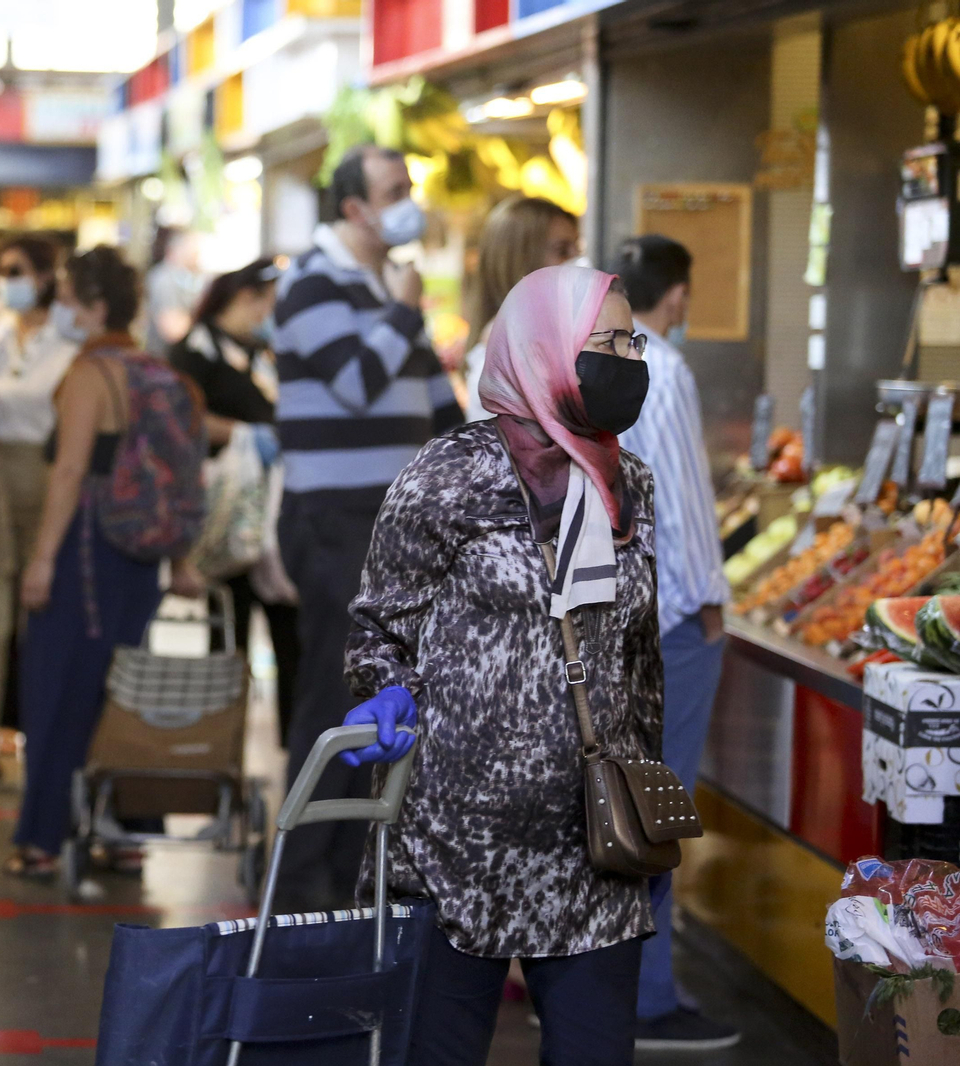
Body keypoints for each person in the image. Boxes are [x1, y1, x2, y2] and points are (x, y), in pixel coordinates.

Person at [343, 264, 660, 1066]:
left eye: (632, 341)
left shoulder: (631, 488)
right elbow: (379, 628)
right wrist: (382, 695)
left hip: (592, 848)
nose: (624, 359)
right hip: (454, 848)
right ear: (544, 349)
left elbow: (638, 655)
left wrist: (648, 790)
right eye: (604, 342)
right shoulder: (449, 474)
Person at [270, 145, 465, 909]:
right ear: (353, 208)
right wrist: (405, 311)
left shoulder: (382, 290)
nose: (407, 202)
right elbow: (357, 382)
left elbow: (437, 406)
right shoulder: (312, 283)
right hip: (334, 522)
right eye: (394, 191)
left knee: (379, 703)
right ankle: (298, 892)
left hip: (392, 526)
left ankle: (354, 883)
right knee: (334, 700)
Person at [9, 246, 205, 878]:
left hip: (86, 547)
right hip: (137, 554)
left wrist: (42, 559)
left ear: (94, 308)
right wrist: (181, 557)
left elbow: (69, 471)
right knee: (125, 687)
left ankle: (42, 839)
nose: (58, 309)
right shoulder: (153, 370)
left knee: (59, 688)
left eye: (67, 298)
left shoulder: (91, 374)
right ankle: (126, 831)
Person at [611, 235, 739, 1052]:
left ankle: (594, 984)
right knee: (658, 808)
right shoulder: (668, 365)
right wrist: (712, 607)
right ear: (679, 295)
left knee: (618, 801)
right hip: (674, 622)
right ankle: (648, 1000)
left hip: (619, 617)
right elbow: (685, 508)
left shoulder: (605, 358)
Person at [0, 235, 77, 791]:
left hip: (50, 478)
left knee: (45, 620)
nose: (7, 281)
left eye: (18, 270)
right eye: (0, 272)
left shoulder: (71, 335)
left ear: (48, 275)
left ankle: (42, 742)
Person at [168, 258, 300, 743]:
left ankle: (295, 749)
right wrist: (243, 434)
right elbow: (180, 419)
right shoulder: (196, 350)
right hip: (225, 518)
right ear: (247, 298)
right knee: (228, 638)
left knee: (290, 633)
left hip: (272, 518)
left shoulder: (263, 353)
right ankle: (220, 751)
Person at [461, 197, 580, 421]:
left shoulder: (542, 334)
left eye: (577, 248)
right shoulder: (508, 345)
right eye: (563, 250)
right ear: (520, 259)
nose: (577, 260)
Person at [145, 226, 203, 353]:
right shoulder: (164, 278)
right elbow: (172, 330)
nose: (198, 257)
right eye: (193, 251)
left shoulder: (186, 278)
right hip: (164, 362)